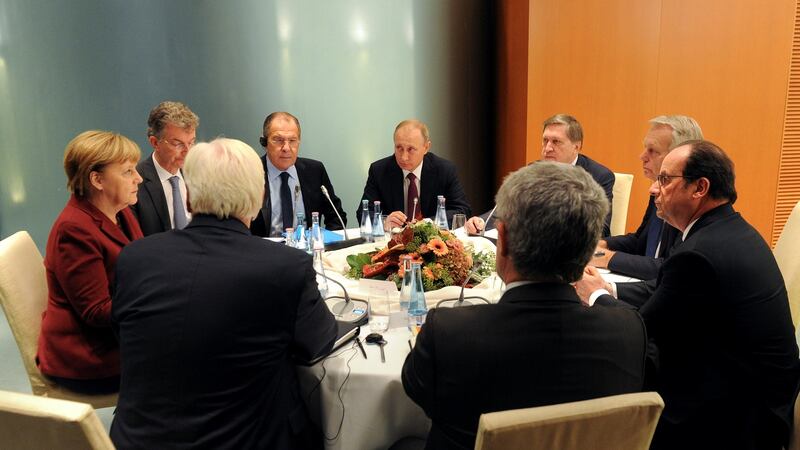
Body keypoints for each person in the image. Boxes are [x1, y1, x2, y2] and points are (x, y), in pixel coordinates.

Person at [402, 162, 647, 450]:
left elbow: (417, 393)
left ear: (502, 240)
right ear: (589, 249)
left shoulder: (448, 332)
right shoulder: (628, 330)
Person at [111, 138, 337, 449]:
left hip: (135, 442)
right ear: (257, 197)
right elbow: (318, 343)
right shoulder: (285, 267)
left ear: (188, 196)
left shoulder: (133, 259)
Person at [576, 141, 800, 449]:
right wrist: (608, 290)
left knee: (600, 389)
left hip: (736, 421)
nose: (654, 189)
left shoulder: (699, 253)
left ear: (700, 188)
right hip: (754, 395)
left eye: (665, 179)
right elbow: (670, 296)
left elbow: (639, 332)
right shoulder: (731, 231)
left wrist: (595, 295)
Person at [37, 130, 143, 394]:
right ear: (97, 179)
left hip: (114, 340)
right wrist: (156, 301)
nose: (139, 178)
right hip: (88, 357)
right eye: (128, 171)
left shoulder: (120, 211)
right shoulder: (74, 230)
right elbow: (97, 312)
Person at [590, 115, 703, 280]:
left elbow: (668, 265)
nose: (642, 156)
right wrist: (598, 246)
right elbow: (640, 241)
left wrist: (604, 257)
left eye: (653, 150)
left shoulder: (689, 202)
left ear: (679, 156)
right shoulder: (657, 189)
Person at [465, 114, 614, 235]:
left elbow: (602, 228)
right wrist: (481, 221)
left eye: (556, 142)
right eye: (545, 140)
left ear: (576, 147)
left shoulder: (599, 176)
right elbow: (509, 207)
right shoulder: (534, 169)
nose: (548, 148)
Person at [357, 119, 471, 229]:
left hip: (432, 243)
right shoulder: (379, 170)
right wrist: (383, 221)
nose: (403, 157)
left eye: (411, 149)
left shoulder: (444, 170)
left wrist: (427, 223)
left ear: (426, 147)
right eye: (399, 148)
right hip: (393, 243)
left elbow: (462, 211)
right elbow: (363, 213)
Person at [250, 112, 348, 237]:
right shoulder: (251, 173)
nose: (286, 147)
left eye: (292, 141)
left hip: (306, 251)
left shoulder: (314, 170)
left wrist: (325, 245)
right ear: (264, 142)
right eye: (278, 140)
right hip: (265, 251)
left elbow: (336, 217)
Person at [131, 100, 199, 236]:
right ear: (155, 142)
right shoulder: (135, 182)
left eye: (191, 142)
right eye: (178, 144)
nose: (188, 151)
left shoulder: (199, 175)